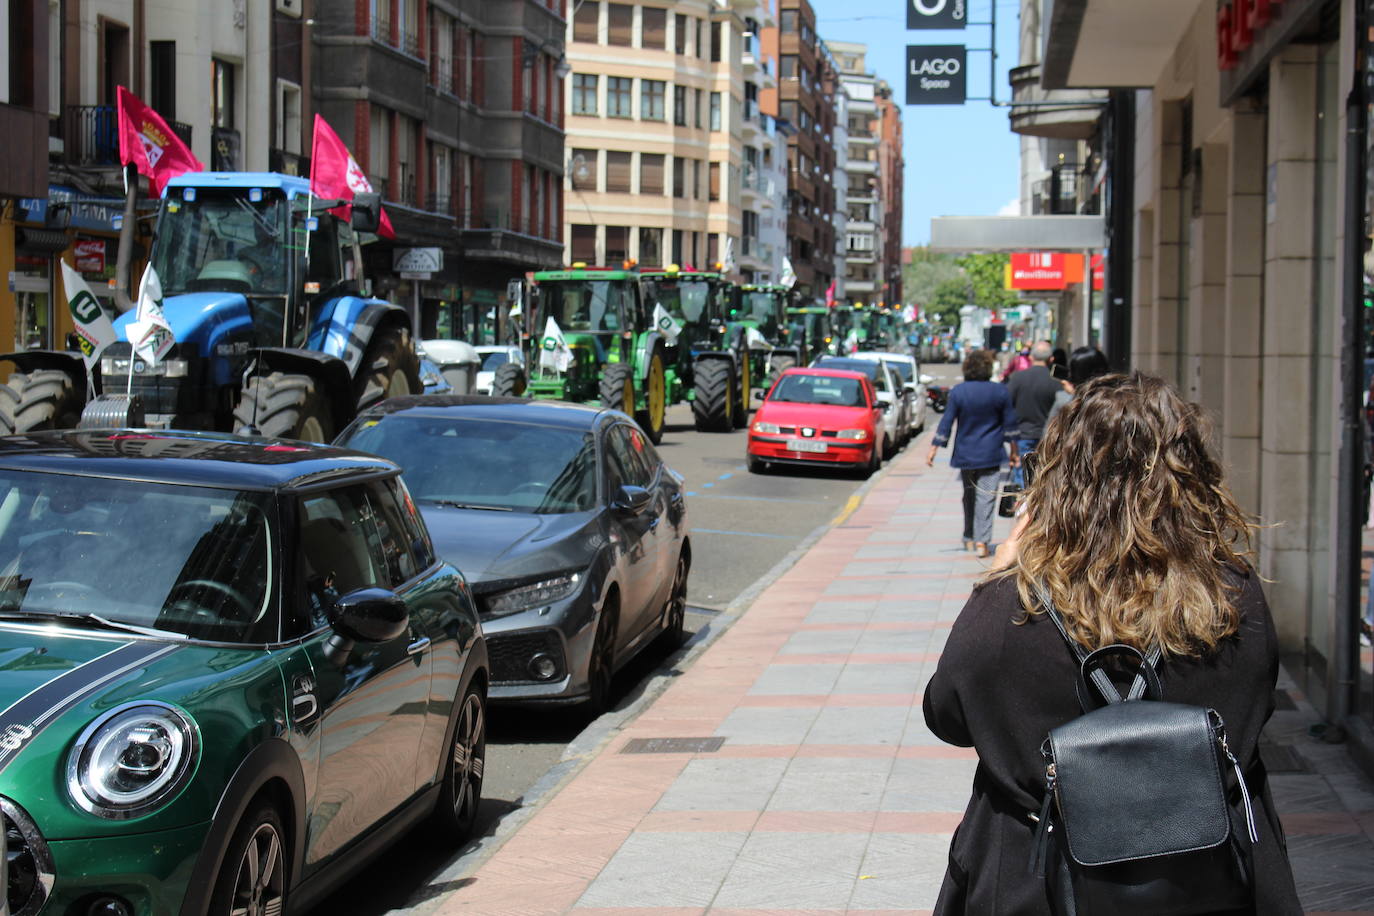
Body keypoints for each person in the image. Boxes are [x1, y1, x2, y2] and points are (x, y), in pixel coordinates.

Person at [923, 372, 1301, 915]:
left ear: (1059, 475)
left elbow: (947, 716)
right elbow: (1256, 708)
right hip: (1209, 880)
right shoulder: (1231, 598)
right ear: (1192, 475)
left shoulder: (1014, 605)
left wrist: (998, 577)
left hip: (1038, 881)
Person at [926, 349, 1019, 558]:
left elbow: (947, 421)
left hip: (966, 454)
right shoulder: (999, 391)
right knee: (986, 497)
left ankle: (969, 536)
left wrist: (934, 448)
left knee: (969, 496)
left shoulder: (959, 392)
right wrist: (1014, 451)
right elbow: (1010, 424)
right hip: (991, 453)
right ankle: (982, 541)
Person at [1005, 340, 1060, 487]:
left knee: (1022, 477)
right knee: (1046, 477)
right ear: (1051, 359)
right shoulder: (1056, 382)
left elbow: (1007, 407)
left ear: (1031, 357)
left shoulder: (1017, 378)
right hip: (1049, 436)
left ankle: (1023, 507)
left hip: (1022, 434)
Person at [1045, 345, 1110, 422]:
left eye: (1072, 370)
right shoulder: (1119, 398)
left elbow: (1051, 430)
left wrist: (1075, 394)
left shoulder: (1064, 402)